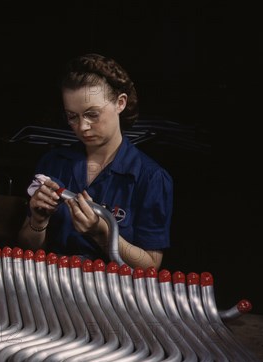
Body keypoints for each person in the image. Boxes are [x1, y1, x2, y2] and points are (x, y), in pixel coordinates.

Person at [17, 53, 173, 270]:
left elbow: (150, 267)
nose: (82, 127)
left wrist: (103, 233)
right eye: (72, 116)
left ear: (120, 103)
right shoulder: (53, 163)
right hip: (50, 288)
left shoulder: (150, 177)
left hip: (112, 295)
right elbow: (27, 249)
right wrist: (38, 220)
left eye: (92, 114)